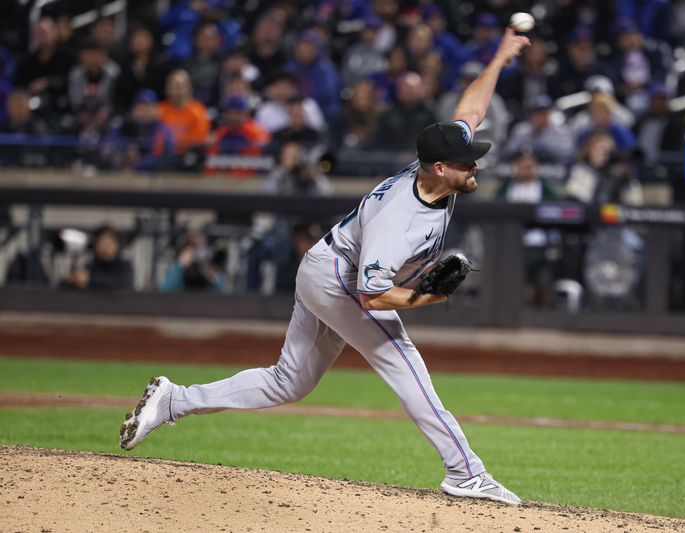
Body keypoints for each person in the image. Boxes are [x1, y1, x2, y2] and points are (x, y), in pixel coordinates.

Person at [119, 26, 531, 507]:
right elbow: (372, 296)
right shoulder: (400, 220)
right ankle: (465, 472)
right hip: (341, 279)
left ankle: (174, 401)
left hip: (326, 266)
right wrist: (428, 297)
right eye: (467, 163)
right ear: (440, 168)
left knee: (288, 381)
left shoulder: (436, 168)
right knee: (405, 365)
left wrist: (500, 56)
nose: (475, 166)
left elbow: (470, 112)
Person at [63, 225, 134, 291]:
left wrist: (90, 281)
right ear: (95, 245)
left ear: (117, 245)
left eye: (109, 243)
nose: (106, 247)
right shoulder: (90, 266)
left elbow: (121, 284)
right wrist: (74, 280)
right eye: (102, 243)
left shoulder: (124, 267)